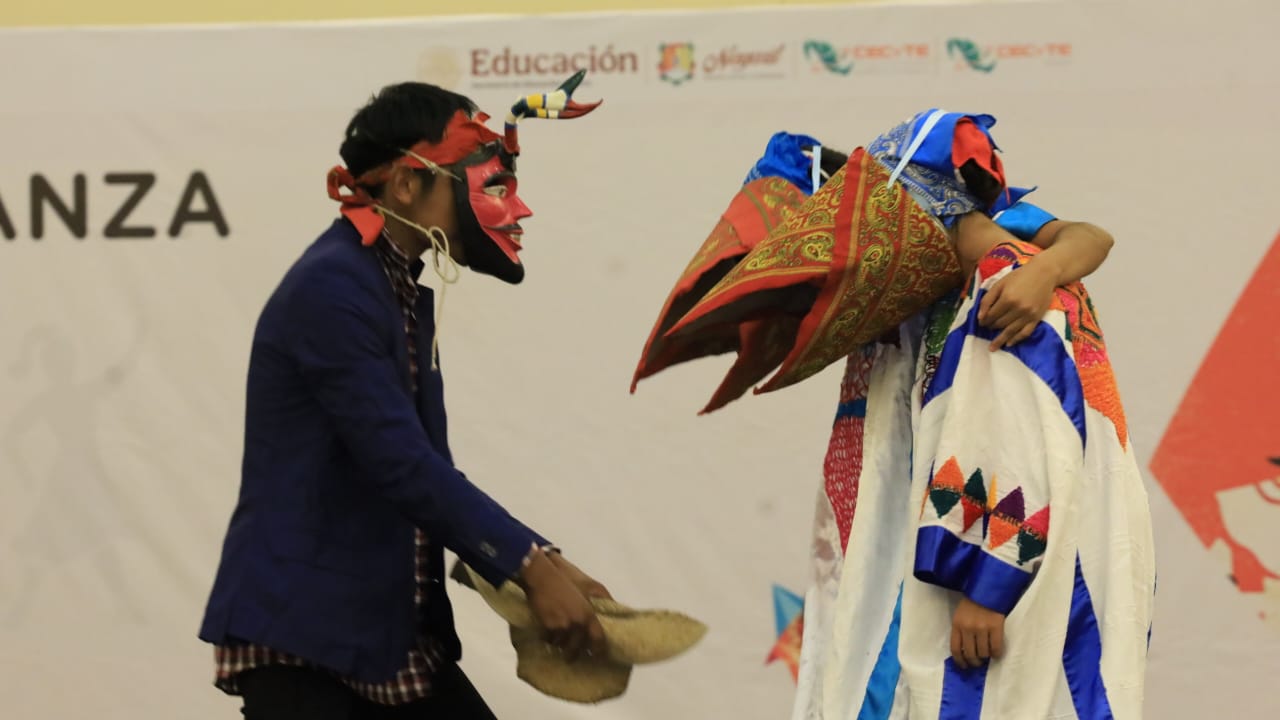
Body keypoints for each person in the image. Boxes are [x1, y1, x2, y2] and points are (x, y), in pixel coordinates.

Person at [633, 111, 1155, 719]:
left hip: (999, 567)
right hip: (983, 551)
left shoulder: (1006, 283)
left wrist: (989, 582)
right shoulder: (945, 294)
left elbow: (1027, 430)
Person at [198, 72, 611, 720]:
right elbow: (403, 466)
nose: (518, 208)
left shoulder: (392, 289)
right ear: (407, 184)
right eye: (493, 184)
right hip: (304, 638)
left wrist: (546, 565)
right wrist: (529, 567)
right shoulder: (332, 289)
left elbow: (426, 472)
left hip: (383, 636)